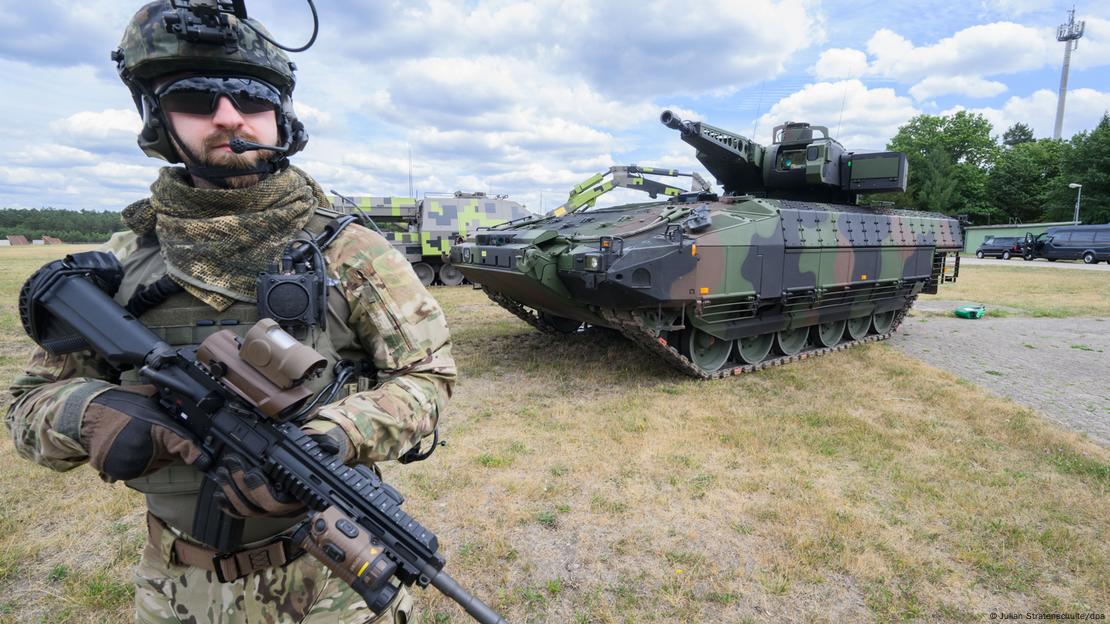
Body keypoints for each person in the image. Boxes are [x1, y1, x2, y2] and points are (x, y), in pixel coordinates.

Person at [4, 2, 455, 622]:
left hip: (326, 584)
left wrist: (334, 437)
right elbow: (26, 405)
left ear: (280, 116)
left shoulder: (351, 250)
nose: (226, 117)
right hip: (175, 587)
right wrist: (93, 414)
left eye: (248, 97)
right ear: (158, 119)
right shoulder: (119, 264)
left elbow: (429, 380)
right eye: (194, 99)